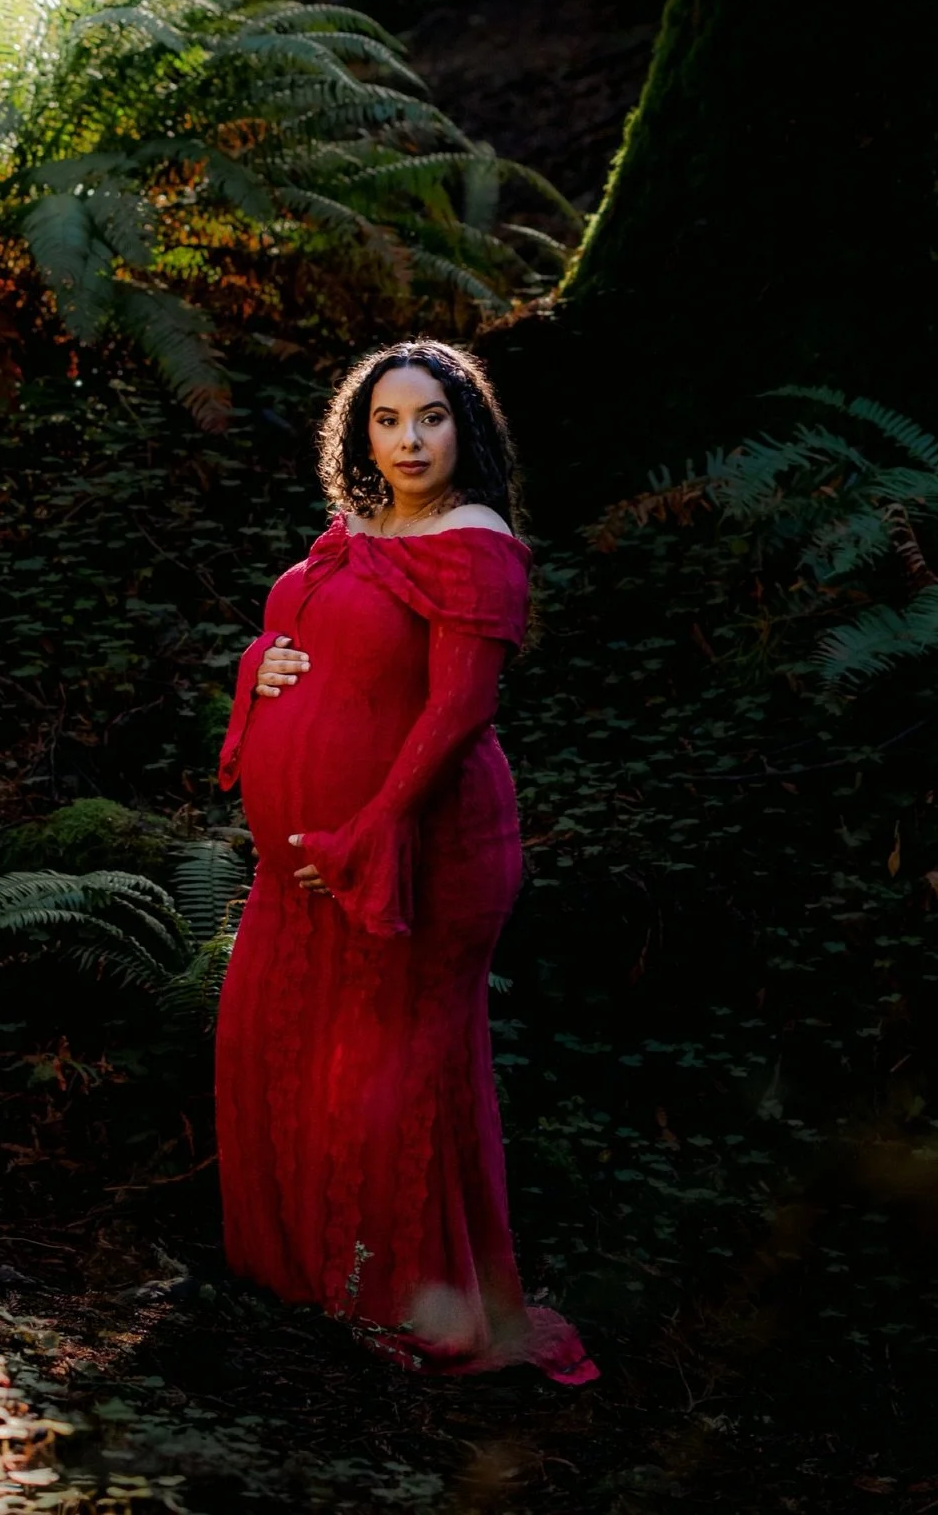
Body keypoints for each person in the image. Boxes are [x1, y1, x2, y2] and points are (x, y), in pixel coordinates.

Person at [215, 338, 597, 1382]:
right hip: (299, 870)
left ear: (464, 428)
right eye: (387, 420)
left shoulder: (476, 542)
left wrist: (368, 833)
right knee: (272, 1045)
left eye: (430, 417)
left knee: (387, 1077)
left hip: (420, 851)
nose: (409, 440)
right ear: (361, 432)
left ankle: (398, 1300)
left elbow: (460, 711)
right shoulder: (359, 529)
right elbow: (314, 641)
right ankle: (304, 1282)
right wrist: (259, 664)